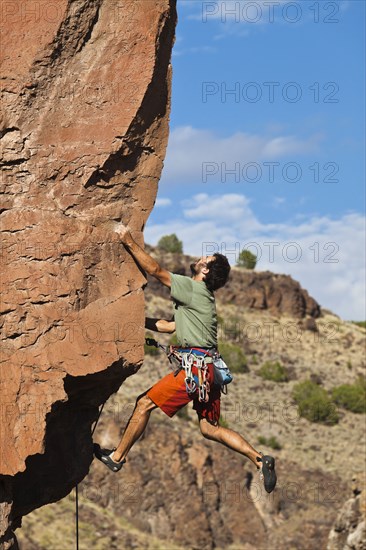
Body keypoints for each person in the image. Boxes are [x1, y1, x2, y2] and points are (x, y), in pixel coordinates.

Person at [94, 224, 277, 493]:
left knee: (143, 402)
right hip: (211, 371)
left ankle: (117, 457)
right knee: (209, 428)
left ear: (205, 271)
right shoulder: (202, 300)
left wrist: (128, 241)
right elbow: (169, 327)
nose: (201, 258)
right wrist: (134, 321)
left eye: (206, 259)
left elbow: (156, 271)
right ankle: (259, 459)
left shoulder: (193, 289)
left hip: (196, 372)